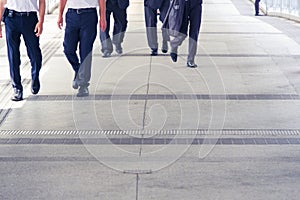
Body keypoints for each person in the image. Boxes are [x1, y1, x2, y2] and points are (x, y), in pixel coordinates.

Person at [57, 0, 106, 97]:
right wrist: (60, 15)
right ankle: (79, 71)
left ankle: (83, 85)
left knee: (85, 51)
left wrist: (103, 17)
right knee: (68, 49)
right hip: (71, 14)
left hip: (89, 15)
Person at [0, 0, 45, 101]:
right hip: (11, 18)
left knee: (35, 54)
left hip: (30, 19)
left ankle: (35, 76)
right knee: (13, 55)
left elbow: (42, 1)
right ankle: (17, 88)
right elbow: (2, 1)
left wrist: (41, 21)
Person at [163, 0, 202, 68]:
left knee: (194, 31)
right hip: (183, 3)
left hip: (196, 4)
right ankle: (174, 44)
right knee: (182, 32)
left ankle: (191, 59)